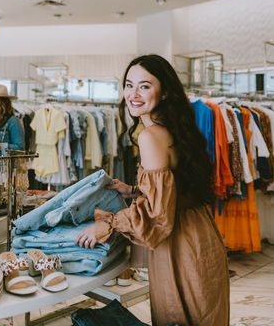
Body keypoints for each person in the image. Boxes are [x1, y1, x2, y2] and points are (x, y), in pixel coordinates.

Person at [76, 54, 229, 326]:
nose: (133, 94)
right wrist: (135, 191)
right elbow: (175, 191)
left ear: (165, 91)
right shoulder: (174, 129)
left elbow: (158, 216)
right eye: (129, 84)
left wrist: (108, 224)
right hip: (199, 235)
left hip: (180, 247)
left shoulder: (150, 136)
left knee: (178, 317)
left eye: (145, 86)